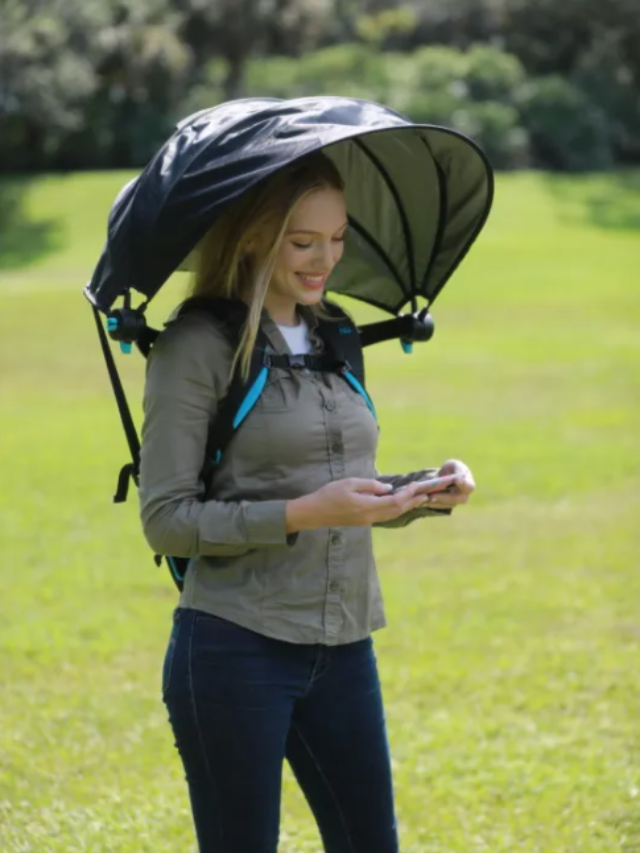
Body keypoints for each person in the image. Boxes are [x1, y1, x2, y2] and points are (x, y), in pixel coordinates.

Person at [139, 151, 475, 853]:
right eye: (304, 241)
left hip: (345, 645)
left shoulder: (337, 334)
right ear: (254, 235)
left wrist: (421, 489)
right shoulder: (196, 346)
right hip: (235, 648)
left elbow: (340, 482)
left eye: (339, 237)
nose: (326, 259)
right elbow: (167, 521)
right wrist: (301, 514)